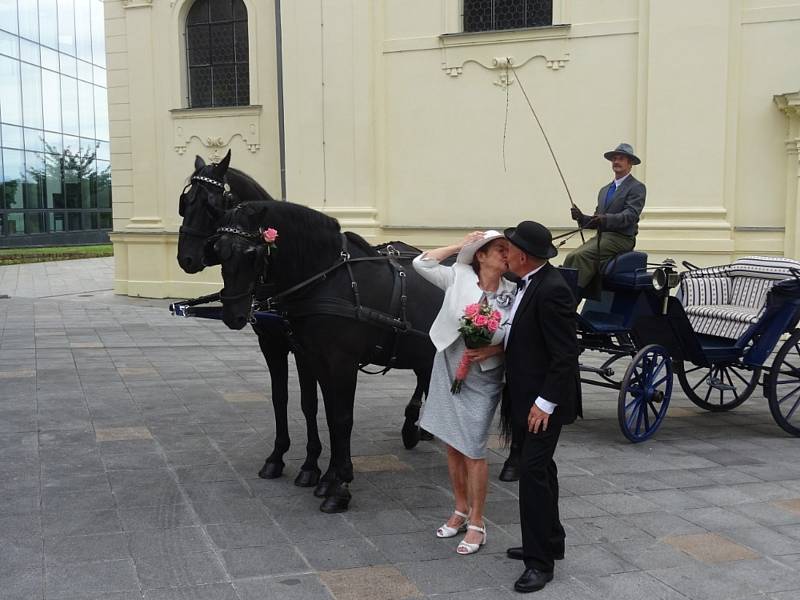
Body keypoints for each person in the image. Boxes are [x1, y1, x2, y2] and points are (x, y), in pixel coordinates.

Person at [413, 231, 516, 555]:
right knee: (453, 444)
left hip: (484, 375)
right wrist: (460, 246)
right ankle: (459, 509)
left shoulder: (513, 292)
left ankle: (477, 522)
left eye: (508, 250)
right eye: (500, 249)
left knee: (473, 448)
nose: (506, 254)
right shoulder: (458, 276)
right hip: (450, 364)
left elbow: (521, 332)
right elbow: (422, 262)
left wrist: (496, 348)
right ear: (481, 256)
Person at [502, 221, 581, 593]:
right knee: (542, 469)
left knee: (532, 474)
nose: (505, 254)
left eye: (508, 249)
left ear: (522, 256)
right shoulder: (528, 283)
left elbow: (566, 354)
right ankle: (551, 540)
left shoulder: (551, 290)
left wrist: (545, 403)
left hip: (543, 402)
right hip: (526, 395)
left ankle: (540, 563)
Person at [563, 142, 646, 298]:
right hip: (602, 237)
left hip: (621, 238)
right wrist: (582, 218)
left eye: (621, 158)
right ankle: (564, 297)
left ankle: (571, 299)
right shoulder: (604, 190)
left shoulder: (637, 187)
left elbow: (630, 215)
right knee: (570, 256)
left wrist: (604, 219)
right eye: (614, 158)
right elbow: (596, 219)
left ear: (630, 163)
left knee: (580, 256)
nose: (616, 162)